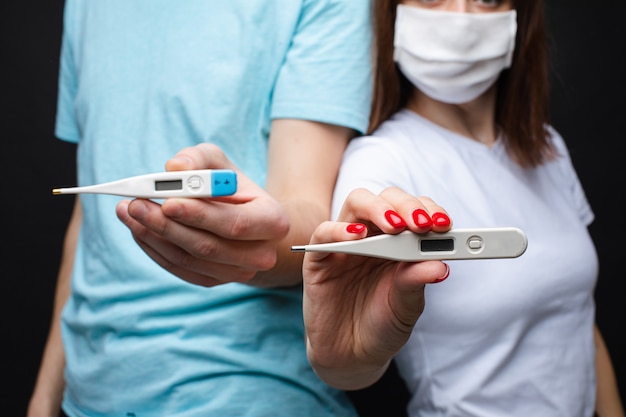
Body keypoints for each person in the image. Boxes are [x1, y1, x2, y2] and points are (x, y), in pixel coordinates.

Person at [27, 1, 374, 416]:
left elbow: (308, 216)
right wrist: (44, 400)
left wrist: (246, 241)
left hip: (243, 393)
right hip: (85, 399)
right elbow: (92, 214)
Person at [301, 0, 626, 416]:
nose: (459, 16)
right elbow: (352, 358)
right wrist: (339, 361)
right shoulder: (378, 166)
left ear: (519, 17)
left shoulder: (548, 149)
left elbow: (579, 317)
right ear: (392, 13)